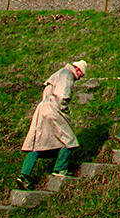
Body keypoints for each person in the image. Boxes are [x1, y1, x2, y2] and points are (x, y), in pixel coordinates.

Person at [16, 57, 89, 188]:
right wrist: (65, 111)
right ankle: (60, 169)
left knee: (38, 144)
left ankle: (24, 175)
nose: (79, 78)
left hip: (43, 109)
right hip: (54, 110)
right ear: (77, 69)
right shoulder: (67, 76)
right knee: (69, 140)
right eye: (80, 74)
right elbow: (62, 96)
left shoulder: (59, 73)